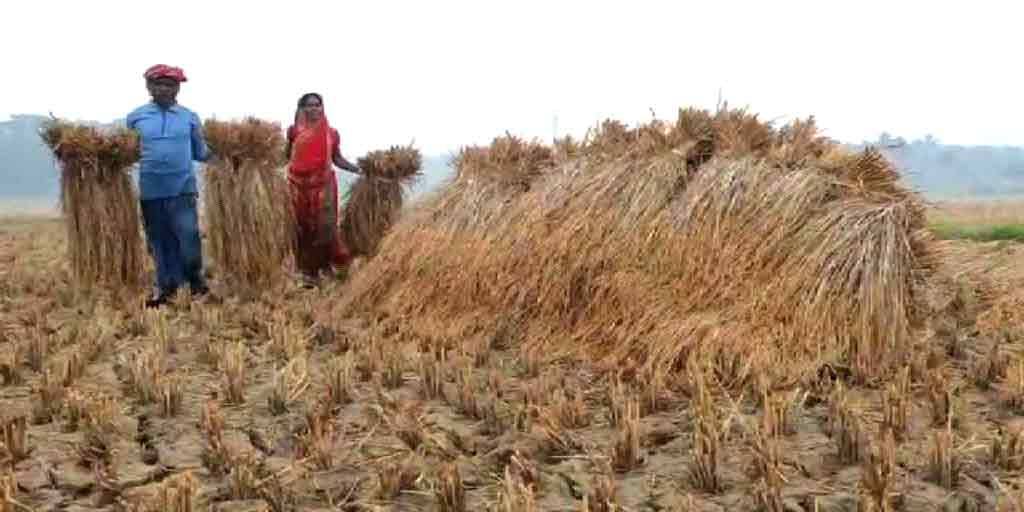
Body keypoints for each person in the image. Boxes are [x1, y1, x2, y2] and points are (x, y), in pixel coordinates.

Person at [126, 64, 211, 308]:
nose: (164, 89)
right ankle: (166, 288)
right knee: (159, 241)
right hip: (151, 190)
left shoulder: (189, 117)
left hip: (183, 188)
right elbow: (125, 152)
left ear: (177, 89)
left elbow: (200, 151)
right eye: (159, 84)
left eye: (170, 85)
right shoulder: (136, 117)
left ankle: (195, 284)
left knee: (188, 237)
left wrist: (230, 158)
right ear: (149, 87)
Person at [284, 92, 362, 287]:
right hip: (298, 187)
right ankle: (307, 273)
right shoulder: (294, 131)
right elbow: (287, 156)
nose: (314, 109)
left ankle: (325, 268)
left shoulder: (332, 133)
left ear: (322, 107)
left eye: (317, 105)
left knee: (325, 228)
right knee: (302, 228)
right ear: (302, 108)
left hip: (323, 187)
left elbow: (337, 158)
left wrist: (358, 169)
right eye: (309, 105)